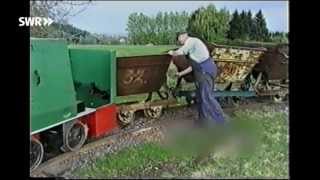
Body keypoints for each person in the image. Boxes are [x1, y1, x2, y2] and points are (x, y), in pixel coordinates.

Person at [168, 32, 226, 127]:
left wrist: (172, 53)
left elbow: (181, 51)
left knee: (207, 98)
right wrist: (180, 74)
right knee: (200, 97)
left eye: (180, 38)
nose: (180, 41)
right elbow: (192, 66)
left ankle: (222, 123)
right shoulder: (193, 48)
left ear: (184, 35)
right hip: (202, 72)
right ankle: (203, 122)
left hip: (205, 72)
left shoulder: (192, 41)